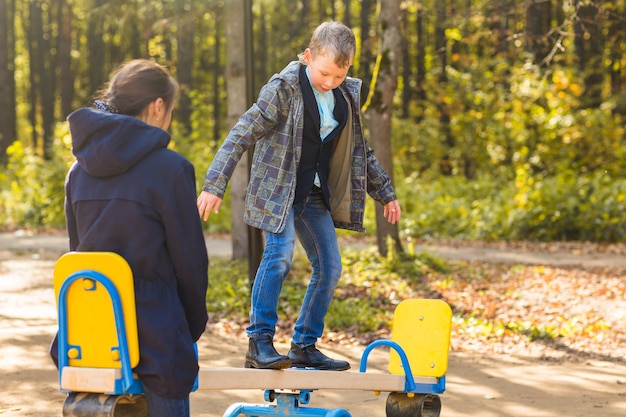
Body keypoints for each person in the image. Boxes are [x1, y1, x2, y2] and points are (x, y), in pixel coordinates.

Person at [197, 21, 401, 372]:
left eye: (338, 75)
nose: (329, 82)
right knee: (279, 256)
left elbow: (359, 151)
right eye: (324, 73)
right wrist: (215, 183)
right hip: (277, 192)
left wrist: (385, 193)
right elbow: (242, 133)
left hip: (313, 194)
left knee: (330, 266)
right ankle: (258, 342)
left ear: (348, 68)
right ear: (308, 56)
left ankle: (305, 344)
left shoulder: (346, 95)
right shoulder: (284, 89)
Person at [49, 59, 209, 417]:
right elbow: (191, 264)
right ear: (157, 107)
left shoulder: (77, 173)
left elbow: (80, 254)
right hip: (158, 334)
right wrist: (189, 328)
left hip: (91, 335)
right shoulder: (171, 170)